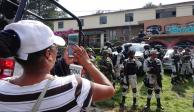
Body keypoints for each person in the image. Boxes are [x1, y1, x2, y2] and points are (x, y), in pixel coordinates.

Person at [0, 20, 115, 111]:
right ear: (48, 54)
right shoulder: (74, 86)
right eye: (55, 47)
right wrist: (88, 63)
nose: (58, 51)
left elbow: (43, 76)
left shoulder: (2, 88)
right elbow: (109, 89)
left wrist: (64, 63)